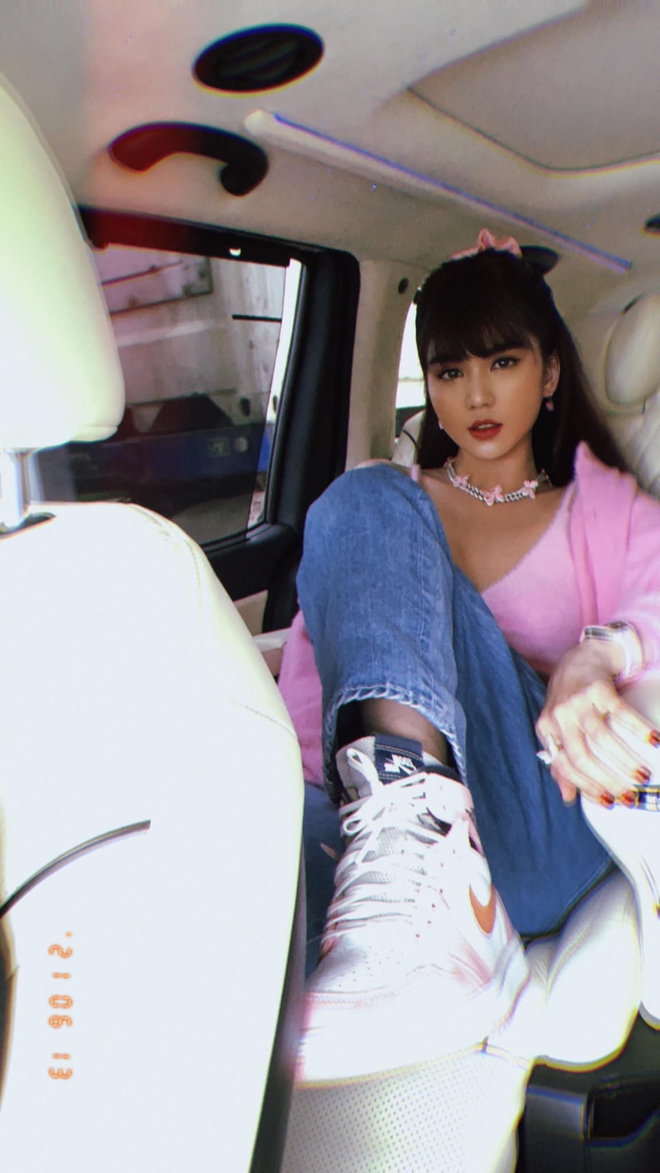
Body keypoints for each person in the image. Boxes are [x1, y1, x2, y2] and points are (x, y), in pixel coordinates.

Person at [280, 229, 660, 1084]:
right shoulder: (383, 513)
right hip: (359, 834)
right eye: (450, 370)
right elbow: (313, 693)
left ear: (549, 374)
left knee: (366, 497)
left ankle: (439, 903)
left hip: (531, 830)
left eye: (504, 362)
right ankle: (395, 863)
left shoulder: (602, 512)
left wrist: (596, 654)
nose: (477, 393)